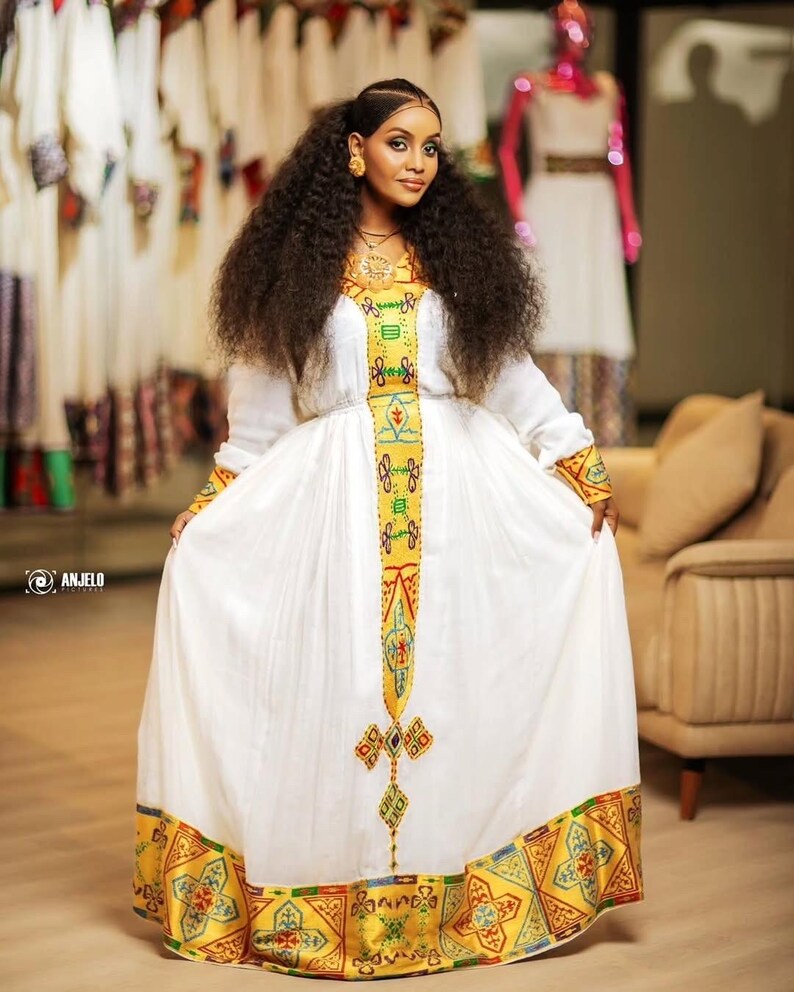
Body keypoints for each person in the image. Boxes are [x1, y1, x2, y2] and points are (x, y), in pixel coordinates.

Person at [133, 78, 644, 980]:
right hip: (330, 510)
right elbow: (253, 425)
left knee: (457, 694)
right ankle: (331, 902)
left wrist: (573, 455)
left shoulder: (456, 260)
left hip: (465, 500)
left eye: (432, 147)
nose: (418, 161)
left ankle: (463, 899)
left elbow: (514, 379)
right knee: (343, 698)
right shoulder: (292, 271)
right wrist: (210, 507)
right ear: (353, 150)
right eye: (400, 142)